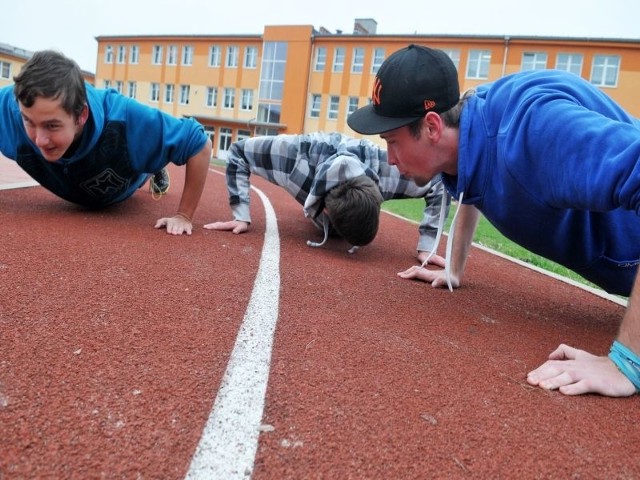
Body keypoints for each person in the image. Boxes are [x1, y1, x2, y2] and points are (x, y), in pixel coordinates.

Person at [347, 44, 640, 398]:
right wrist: (454, 269)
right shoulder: (472, 131)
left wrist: (627, 362)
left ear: (432, 127)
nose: (390, 158)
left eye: (392, 141)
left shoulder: (531, 131)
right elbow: (472, 181)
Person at [0, 50, 212, 235]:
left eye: (52, 126)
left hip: (124, 182)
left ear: (81, 115)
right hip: (74, 186)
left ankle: (155, 166)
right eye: (28, 121)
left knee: (144, 158)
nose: (39, 139)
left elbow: (199, 143)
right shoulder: (9, 109)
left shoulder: (124, 118)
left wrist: (184, 215)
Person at [204, 132, 449, 259]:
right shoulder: (292, 159)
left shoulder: (390, 173)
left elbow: (440, 183)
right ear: (326, 211)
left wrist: (427, 246)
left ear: (380, 196)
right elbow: (238, 152)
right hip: (311, 169)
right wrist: (241, 214)